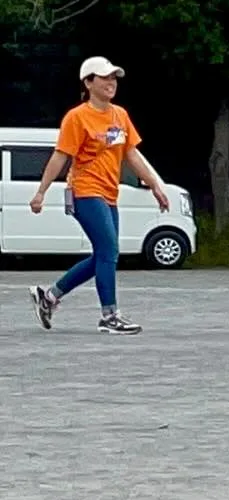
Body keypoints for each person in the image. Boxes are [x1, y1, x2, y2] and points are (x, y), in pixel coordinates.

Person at [27, 57, 170, 336]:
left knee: (103, 256)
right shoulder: (77, 117)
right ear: (88, 82)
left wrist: (155, 185)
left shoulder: (120, 115)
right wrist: (41, 191)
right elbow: (61, 156)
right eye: (104, 78)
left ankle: (50, 297)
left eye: (114, 78)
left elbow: (131, 154)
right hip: (85, 191)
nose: (111, 82)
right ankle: (109, 316)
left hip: (109, 194)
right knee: (108, 252)